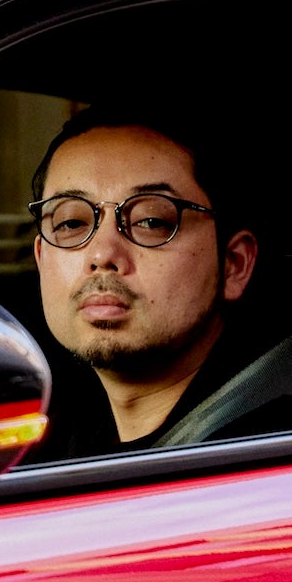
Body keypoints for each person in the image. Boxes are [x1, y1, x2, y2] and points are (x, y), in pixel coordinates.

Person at [30, 106, 258, 454]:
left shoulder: (271, 445)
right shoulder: (50, 433)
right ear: (40, 258)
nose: (101, 254)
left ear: (233, 265)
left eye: (152, 222)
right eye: (71, 223)